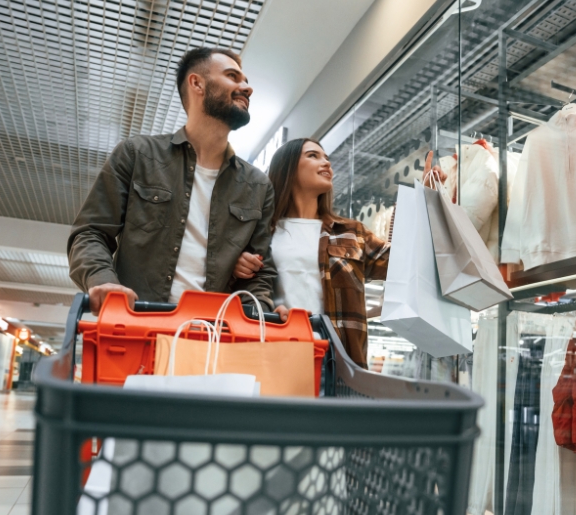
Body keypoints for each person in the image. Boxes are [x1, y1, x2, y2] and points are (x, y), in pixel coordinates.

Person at [68, 47, 276, 314]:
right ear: (197, 83)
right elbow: (90, 233)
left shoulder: (257, 185)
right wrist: (104, 282)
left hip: (214, 338)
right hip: (135, 325)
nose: (246, 88)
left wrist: (256, 318)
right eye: (233, 76)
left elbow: (261, 273)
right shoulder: (138, 155)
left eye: (246, 81)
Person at [232, 138, 443, 367]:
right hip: (273, 357)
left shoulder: (350, 233)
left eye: (327, 158)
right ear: (288, 168)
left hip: (337, 365)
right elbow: (236, 293)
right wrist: (235, 267)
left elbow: (405, 263)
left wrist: (425, 203)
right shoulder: (261, 232)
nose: (326, 163)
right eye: (313, 156)